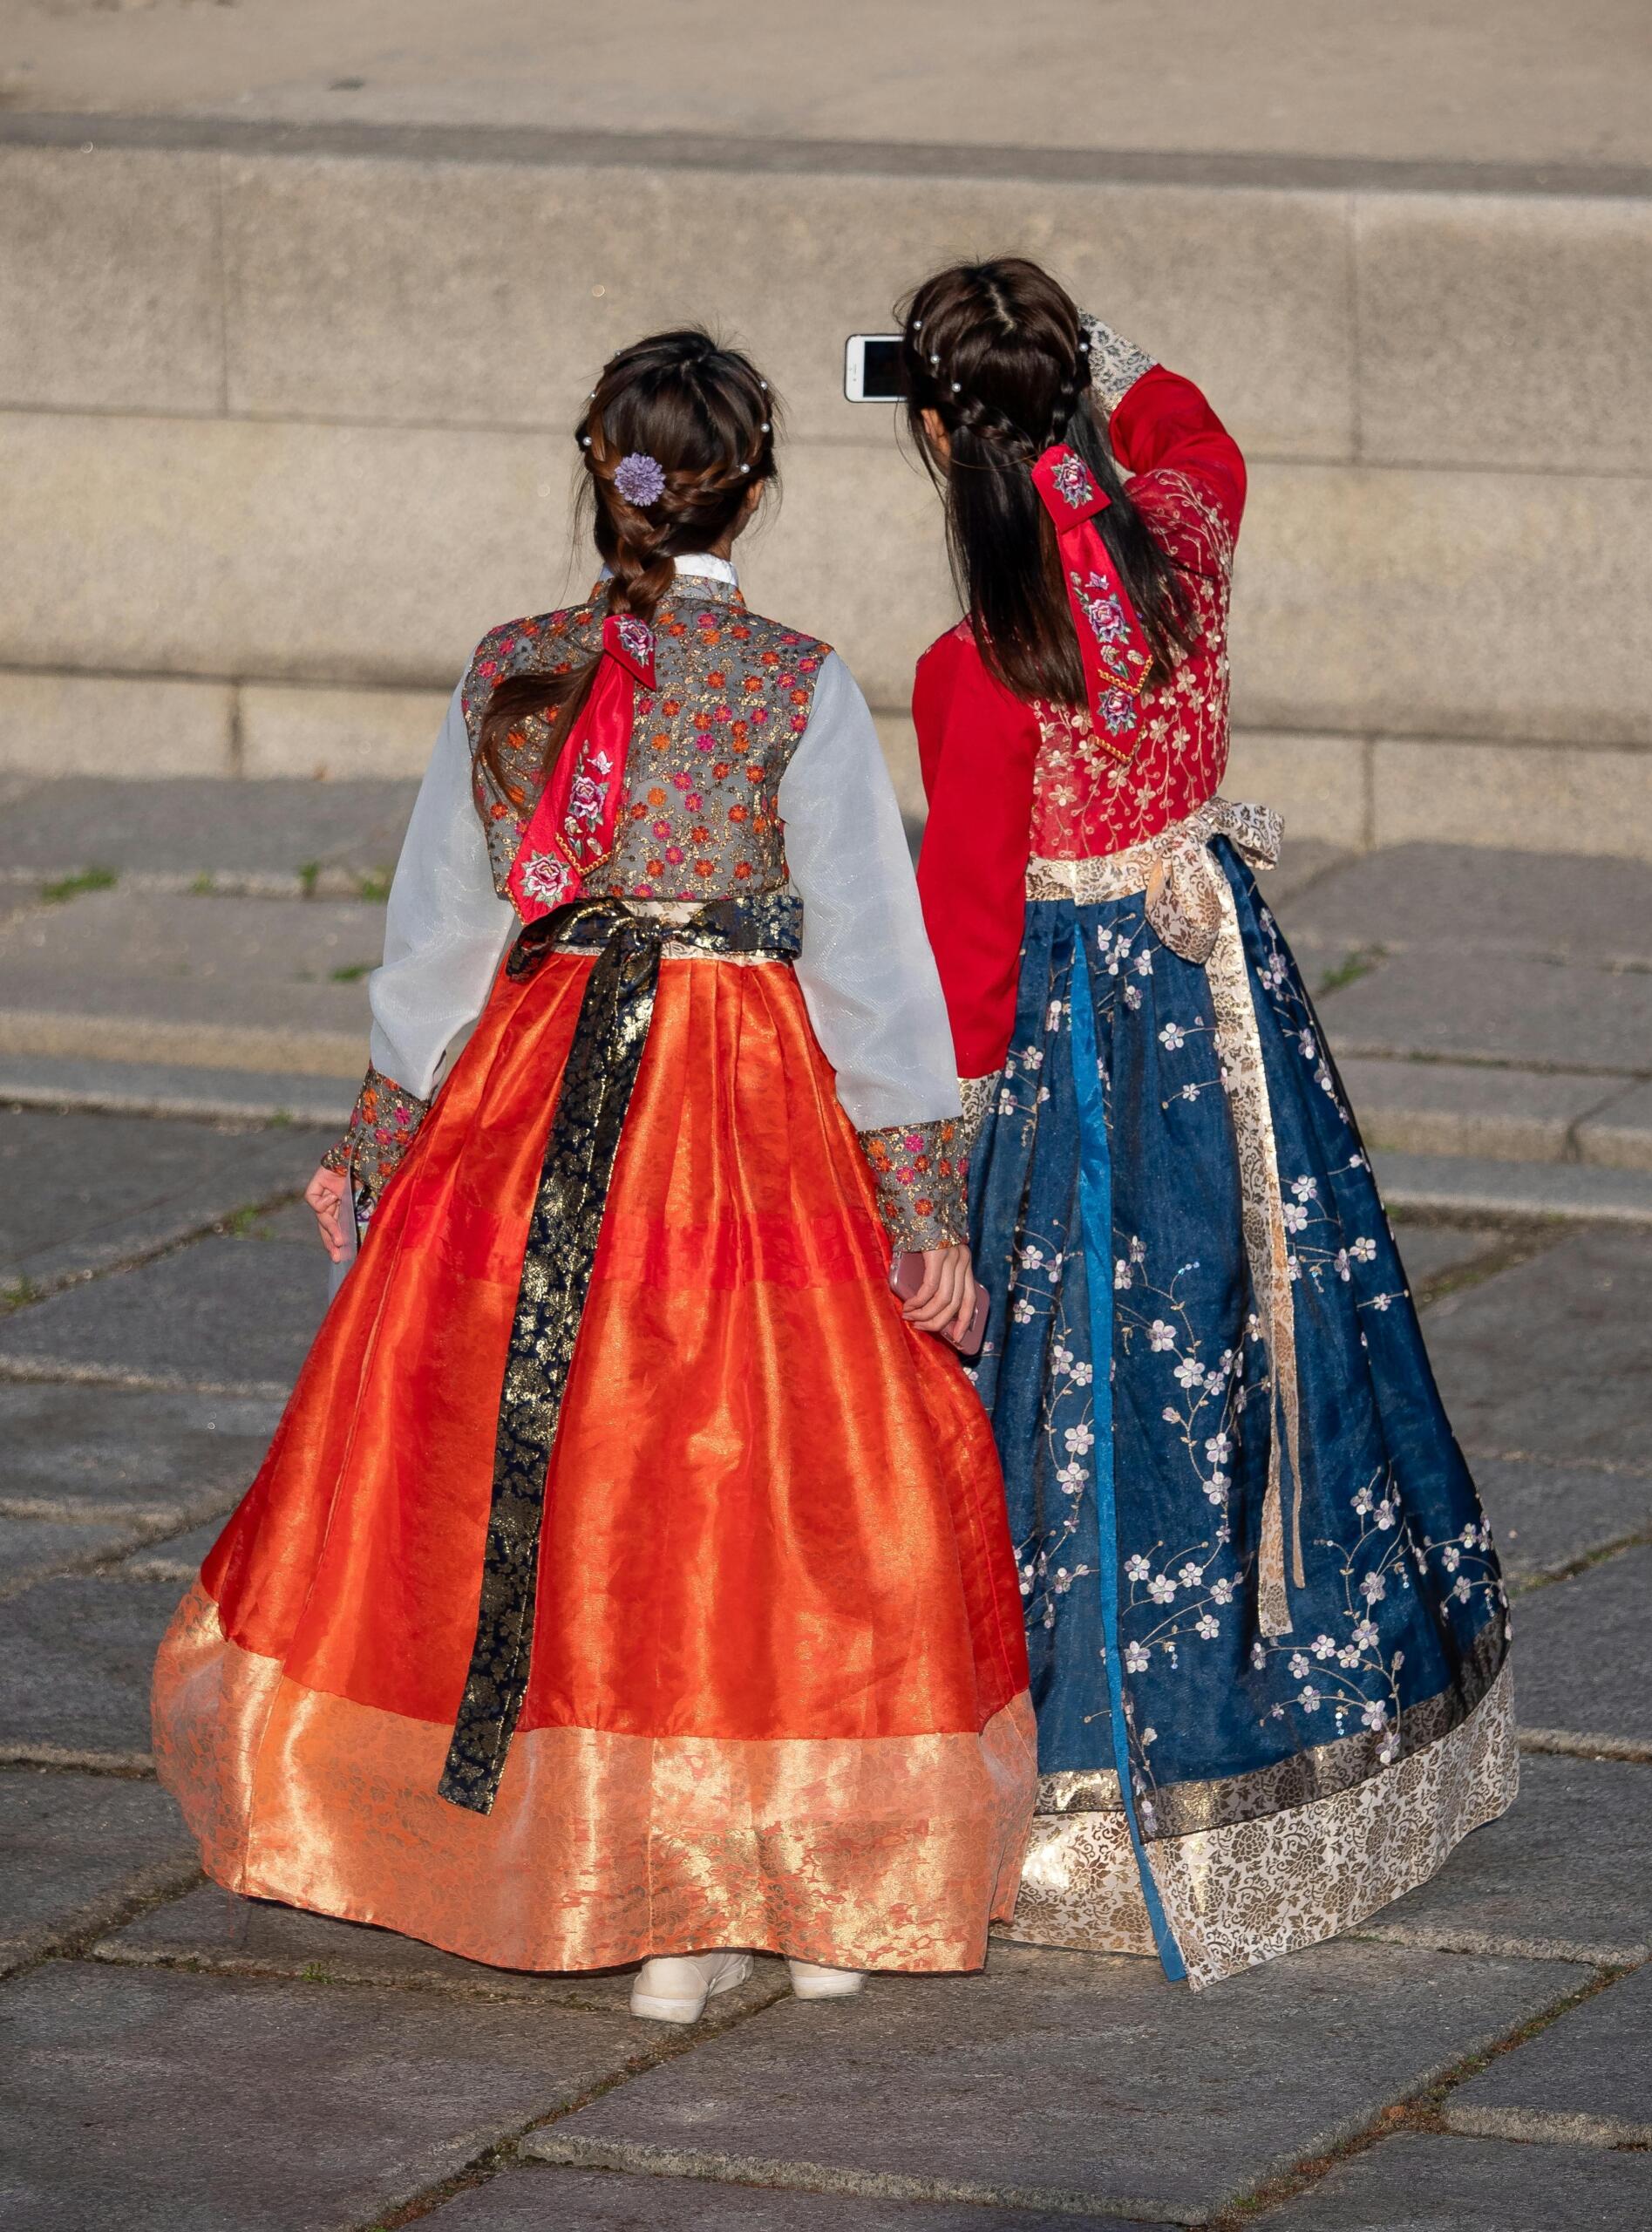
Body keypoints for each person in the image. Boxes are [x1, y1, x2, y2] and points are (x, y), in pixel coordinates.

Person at [153, 329, 1033, 2025]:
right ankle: (795, 1870)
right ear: (756, 490)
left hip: (539, 1097)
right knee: (762, 1482)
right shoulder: (797, 682)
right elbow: (872, 964)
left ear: (596, 469)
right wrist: (918, 1198)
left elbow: (440, 938)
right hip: (748, 1109)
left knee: (570, 1483)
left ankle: (613, 1859)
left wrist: (378, 1147)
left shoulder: (514, 666)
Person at [898, 257, 1515, 1989]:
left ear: (946, 439)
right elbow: (1199, 426)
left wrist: (923, 1172)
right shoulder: (1185, 536)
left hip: (1088, 1040)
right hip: (1225, 983)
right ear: (1075, 401)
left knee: (1097, 1372)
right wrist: (1092, 341)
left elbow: (964, 964)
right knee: (1266, 1325)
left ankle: (1108, 1784)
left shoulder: (978, 667)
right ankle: (1331, 1717)